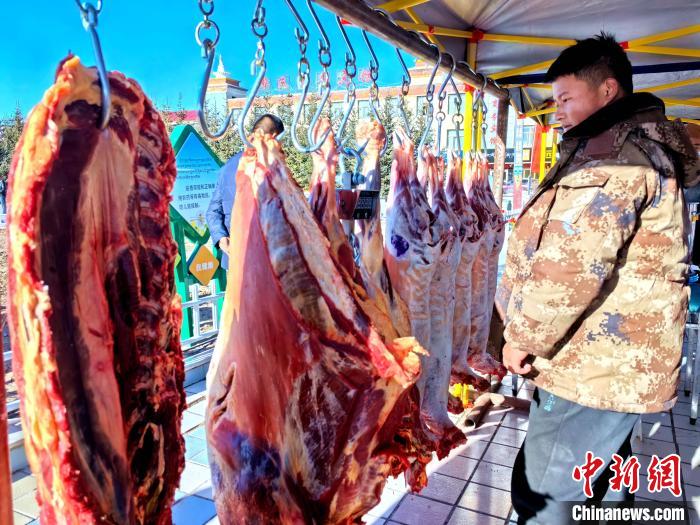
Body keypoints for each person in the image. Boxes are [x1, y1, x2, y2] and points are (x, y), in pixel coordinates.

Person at [495, 33, 699, 523]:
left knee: (545, 492)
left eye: (566, 98)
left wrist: (522, 338)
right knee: (601, 486)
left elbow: (573, 265)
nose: (558, 110)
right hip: (613, 362)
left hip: (589, 362)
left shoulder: (617, 158)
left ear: (607, 91)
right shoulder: (635, 147)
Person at [206, 113, 284, 269]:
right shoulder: (228, 169)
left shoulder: (277, 168)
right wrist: (221, 239)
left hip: (270, 260)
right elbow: (213, 211)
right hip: (241, 260)